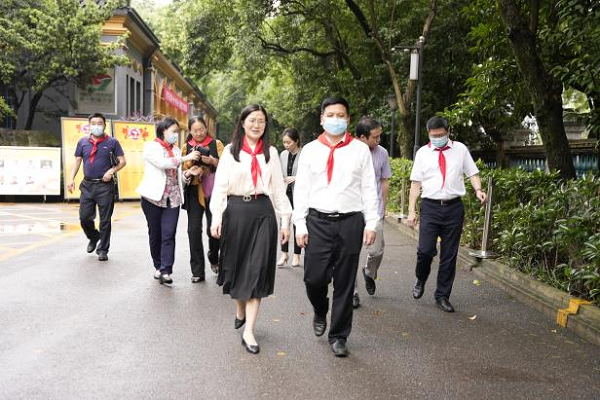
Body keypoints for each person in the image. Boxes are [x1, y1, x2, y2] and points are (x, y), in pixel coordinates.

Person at [293, 97, 379, 357]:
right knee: (314, 278)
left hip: (350, 222)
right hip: (317, 222)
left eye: (341, 115)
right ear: (322, 119)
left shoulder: (360, 150)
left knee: (344, 282)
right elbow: (301, 189)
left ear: (348, 119)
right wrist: (300, 224)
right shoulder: (310, 150)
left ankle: (339, 335)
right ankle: (320, 309)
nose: (336, 119)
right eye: (330, 115)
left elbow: (369, 188)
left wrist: (371, 223)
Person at [210, 104, 291, 355]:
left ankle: (249, 331)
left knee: (257, 270)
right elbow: (220, 187)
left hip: (263, 213)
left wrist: (285, 220)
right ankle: (240, 308)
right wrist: (216, 217)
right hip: (236, 212)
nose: (257, 125)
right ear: (243, 122)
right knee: (235, 268)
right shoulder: (231, 152)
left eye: (261, 121)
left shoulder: (271, 153)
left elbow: (278, 189)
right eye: (252, 120)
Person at [407, 116, 487, 312]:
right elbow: (416, 183)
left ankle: (442, 295)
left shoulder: (460, 149)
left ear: (448, 132)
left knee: (449, 255)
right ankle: (421, 278)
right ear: (428, 134)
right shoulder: (422, 153)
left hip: (453, 208)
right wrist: (411, 210)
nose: (438, 138)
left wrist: (478, 190)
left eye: (441, 135)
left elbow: (472, 173)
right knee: (425, 250)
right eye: (434, 136)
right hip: (430, 207)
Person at [136, 117, 201, 285]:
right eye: (173, 131)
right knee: (155, 234)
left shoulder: (177, 150)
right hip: (152, 198)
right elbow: (162, 163)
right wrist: (185, 158)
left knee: (169, 234)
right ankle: (158, 265)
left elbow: (176, 176)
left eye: (177, 132)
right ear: (163, 131)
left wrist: (188, 174)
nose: (176, 135)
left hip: (173, 199)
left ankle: (166, 270)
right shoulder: (151, 147)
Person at [68, 113, 126, 261]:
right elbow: (77, 160)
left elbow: (122, 161)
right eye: (93, 123)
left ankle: (103, 250)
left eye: (100, 123)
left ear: (104, 125)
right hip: (87, 185)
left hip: (105, 186)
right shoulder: (82, 142)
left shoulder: (112, 142)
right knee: (84, 217)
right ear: (89, 125)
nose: (96, 126)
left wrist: (111, 171)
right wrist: (71, 179)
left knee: (105, 220)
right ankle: (94, 236)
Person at [352, 117, 392, 309]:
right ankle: (352, 292)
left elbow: (384, 181)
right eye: (375, 137)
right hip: (351, 210)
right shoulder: (348, 152)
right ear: (362, 137)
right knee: (350, 254)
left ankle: (369, 272)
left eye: (379, 136)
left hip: (373, 210)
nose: (379, 140)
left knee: (376, 251)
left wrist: (384, 207)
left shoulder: (382, 153)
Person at [182, 116, 224, 283]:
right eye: (195, 130)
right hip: (194, 191)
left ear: (206, 128)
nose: (199, 133)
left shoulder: (216, 144)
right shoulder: (186, 147)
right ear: (190, 131)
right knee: (193, 230)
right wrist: (191, 163)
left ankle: (214, 256)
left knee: (214, 230)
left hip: (214, 192)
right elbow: (182, 168)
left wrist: (211, 160)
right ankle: (197, 271)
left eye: (201, 129)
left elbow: (226, 166)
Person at [277, 128, 303, 267]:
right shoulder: (282, 155)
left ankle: (297, 255)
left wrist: (296, 178)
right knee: (284, 223)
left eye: (289, 142)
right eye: (284, 143)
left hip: (299, 194)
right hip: (285, 194)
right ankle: (284, 254)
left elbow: (310, 174)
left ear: (296, 141)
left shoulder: (304, 154)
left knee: (297, 223)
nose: (286, 145)